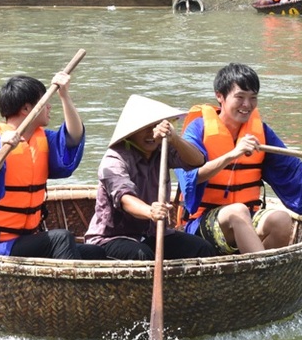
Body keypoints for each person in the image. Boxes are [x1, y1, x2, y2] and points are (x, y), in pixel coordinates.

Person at [175, 63, 302, 255]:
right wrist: (233, 154)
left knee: (281, 220)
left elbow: (291, 170)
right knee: (237, 211)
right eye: (240, 97)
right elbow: (189, 177)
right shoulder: (197, 130)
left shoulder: (261, 132)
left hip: (247, 216)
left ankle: (255, 268)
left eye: (253, 98)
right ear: (219, 96)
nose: (247, 105)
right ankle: (261, 270)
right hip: (202, 224)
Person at [0, 73, 92, 260]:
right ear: (26, 108)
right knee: (61, 238)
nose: (49, 107)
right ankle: (69, 289)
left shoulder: (43, 139)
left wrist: (65, 95)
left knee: (95, 252)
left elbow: (73, 138)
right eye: (45, 102)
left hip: (27, 239)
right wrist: (3, 152)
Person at [85, 95, 215, 261]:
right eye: (144, 128)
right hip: (112, 238)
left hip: (153, 233)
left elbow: (197, 160)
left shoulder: (163, 149)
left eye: (155, 127)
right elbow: (125, 198)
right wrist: (150, 211)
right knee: (141, 255)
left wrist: (174, 139)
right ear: (131, 132)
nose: (151, 134)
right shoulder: (115, 159)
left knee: (201, 248)